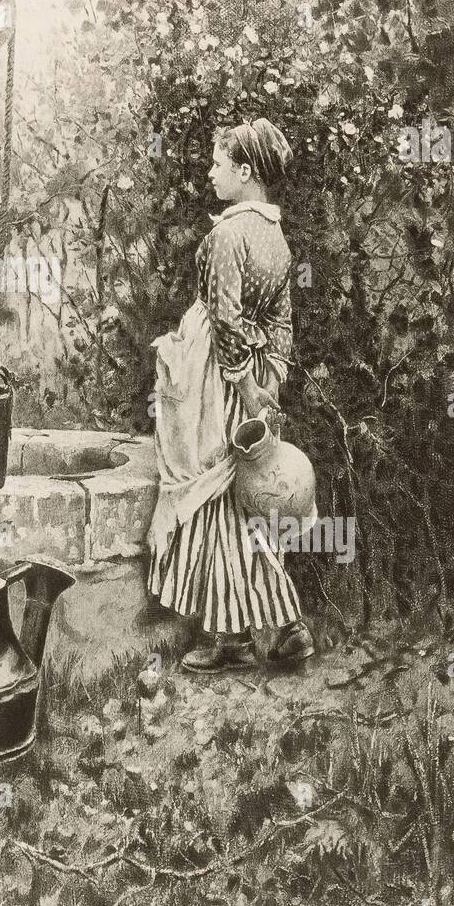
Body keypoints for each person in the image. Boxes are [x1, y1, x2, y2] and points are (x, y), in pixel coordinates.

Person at [147, 118, 314, 673]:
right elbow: (285, 324)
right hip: (260, 372)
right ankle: (276, 629)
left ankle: (238, 639)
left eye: (219, 164)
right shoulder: (277, 237)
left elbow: (223, 319)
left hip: (220, 375)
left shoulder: (229, 234)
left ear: (246, 172)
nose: (211, 173)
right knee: (248, 496)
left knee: (220, 495)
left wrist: (245, 383)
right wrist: (273, 382)